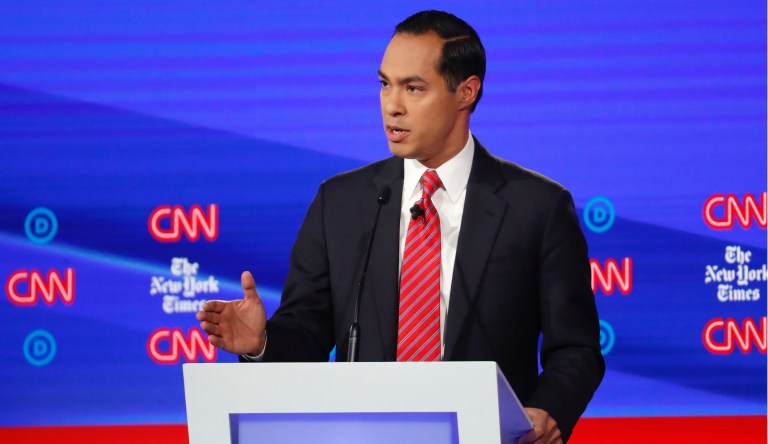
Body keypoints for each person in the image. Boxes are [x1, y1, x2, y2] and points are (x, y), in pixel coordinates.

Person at [197, 10, 604, 443]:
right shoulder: (342, 202)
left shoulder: (536, 208)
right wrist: (262, 343)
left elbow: (575, 348)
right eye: (385, 84)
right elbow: (308, 331)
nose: (392, 104)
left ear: (466, 92)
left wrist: (547, 411)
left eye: (413, 87)